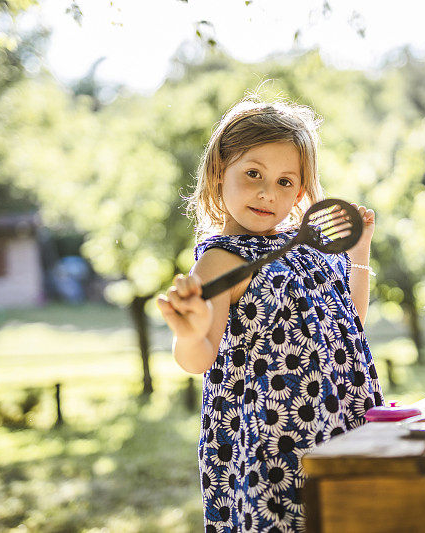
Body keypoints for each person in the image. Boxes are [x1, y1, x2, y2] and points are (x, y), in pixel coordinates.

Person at [156, 97, 384, 532]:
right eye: (253, 174)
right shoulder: (222, 260)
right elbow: (199, 357)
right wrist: (189, 334)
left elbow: (349, 319)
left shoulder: (305, 249)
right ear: (220, 172)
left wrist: (359, 251)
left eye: (284, 182)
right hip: (276, 448)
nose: (267, 192)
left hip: (342, 423)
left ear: (300, 193)